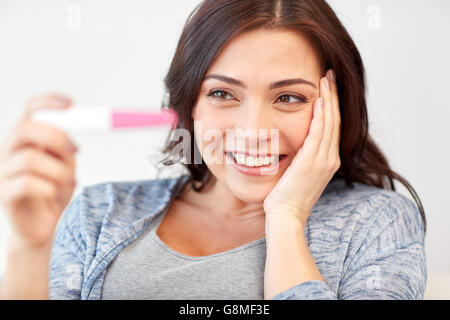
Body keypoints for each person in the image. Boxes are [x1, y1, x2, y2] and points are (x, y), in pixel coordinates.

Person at [0, 0, 426, 300]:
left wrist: (287, 218)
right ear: (190, 104)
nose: (254, 130)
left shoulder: (376, 223)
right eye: (223, 93)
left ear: (336, 106)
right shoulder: (100, 211)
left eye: (289, 98)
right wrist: (31, 247)